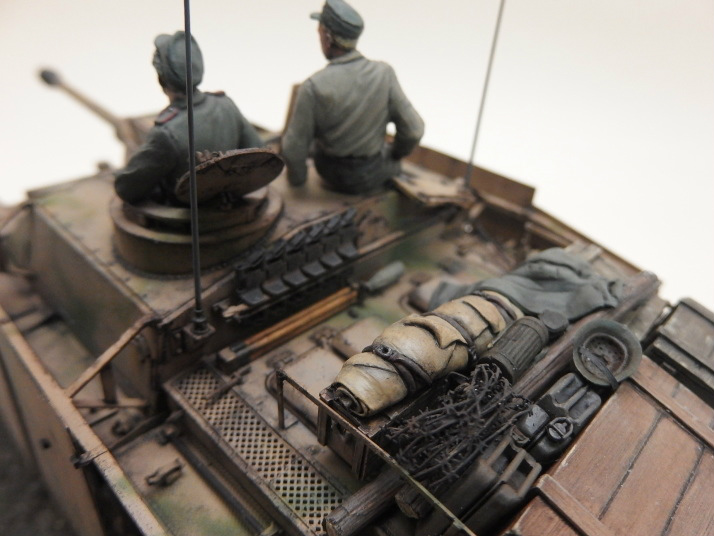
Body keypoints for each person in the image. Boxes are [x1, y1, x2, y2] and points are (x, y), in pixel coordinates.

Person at [281, 0, 425, 194]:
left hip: (329, 171)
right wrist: (395, 153)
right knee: (395, 167)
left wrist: (297, 181)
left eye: (319, 31)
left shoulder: (313, 86)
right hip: (371, 172)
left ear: (328, 37)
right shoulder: (384, 74)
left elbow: (293, 148)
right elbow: (414, 130)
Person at [115, 31, 263, 205]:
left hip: (186, 212)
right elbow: (258, 151)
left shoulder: (165, 133)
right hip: (231, 201)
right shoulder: (225, 104)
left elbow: (127, 189)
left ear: (161, 79)